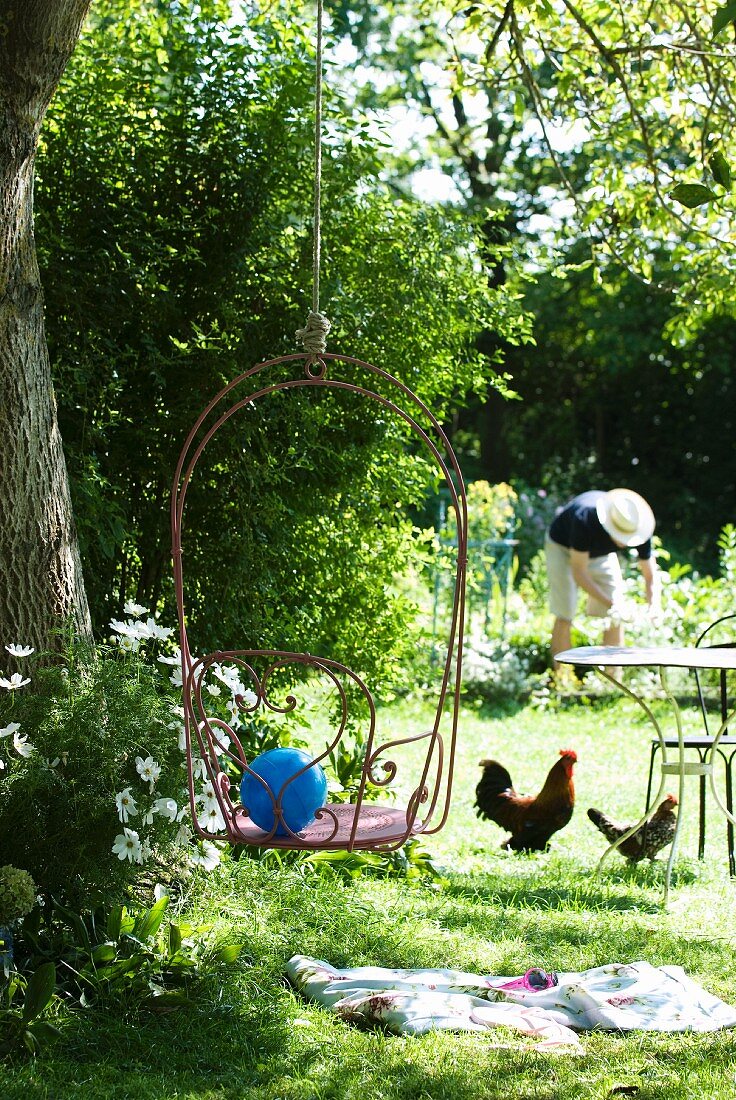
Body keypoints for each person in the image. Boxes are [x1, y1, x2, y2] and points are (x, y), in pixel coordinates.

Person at [545, 488, 660, 666]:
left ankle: (611, 681)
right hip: (562, 547)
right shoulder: (585, 519)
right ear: (611, 526)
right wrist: (610, 603)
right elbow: (579, 573)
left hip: (598, 554)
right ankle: (563, 680)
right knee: (565, 611)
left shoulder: (637, 525)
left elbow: (650, 574)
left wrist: (654, 605)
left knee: (616, 614)